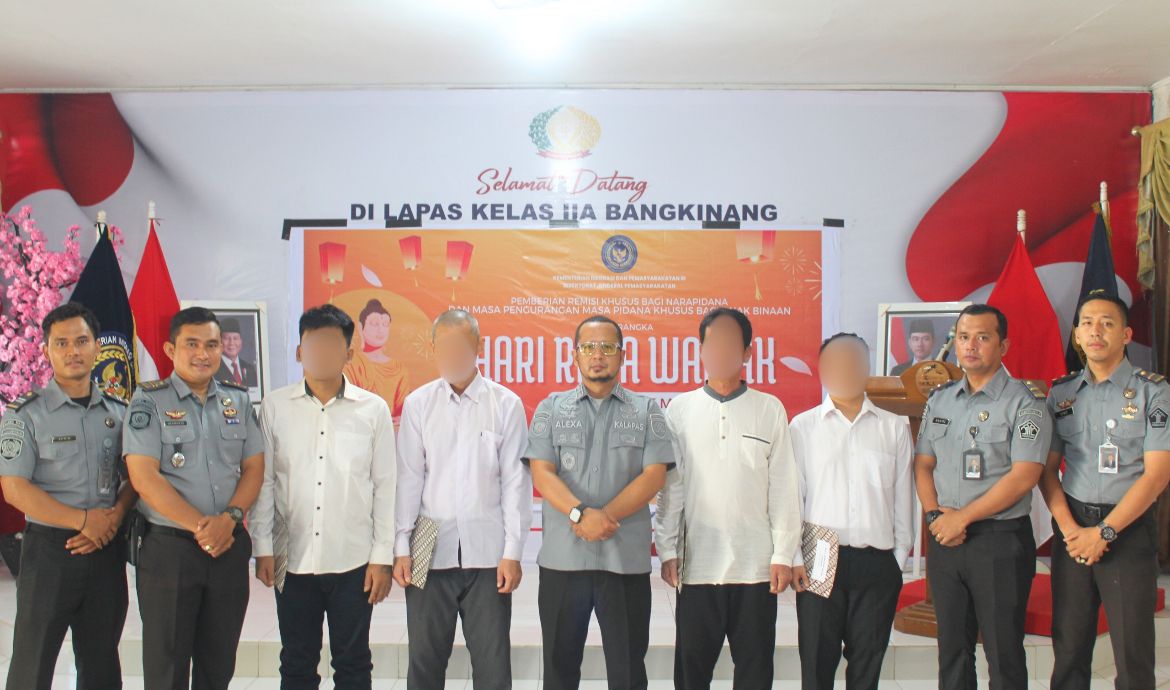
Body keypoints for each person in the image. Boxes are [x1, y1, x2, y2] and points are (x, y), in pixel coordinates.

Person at [524, 315, 676, 690]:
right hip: (563, 561)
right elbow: (542, 473)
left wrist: (603, 516)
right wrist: (580, 514)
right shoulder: (551, 408)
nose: (598, 355)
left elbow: (654, 475)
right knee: (559, 671)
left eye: (607, 347)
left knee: (628, 671)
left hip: (623, 563)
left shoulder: (646, 411)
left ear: (622, 355)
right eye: (588, 347)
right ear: (574, 355)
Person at [251, 304, 397, 689]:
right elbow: (265, 482)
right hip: (292, 558)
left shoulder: (373, 410)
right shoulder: (275, 407)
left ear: (349, 353)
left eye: (332, 345)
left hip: (354, 561)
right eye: (313, 344)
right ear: (299, 351)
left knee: (353, 663)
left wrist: (382, 558)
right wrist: (262, 546)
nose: (321, 353)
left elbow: (386, 486)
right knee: (296, 662)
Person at [654, 307, 801, 690]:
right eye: (712, 342)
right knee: (691, 672)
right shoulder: (680, 410)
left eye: (730, 342)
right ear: (701, 350)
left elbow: (784, 487)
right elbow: (672, 486)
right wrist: (667, 548)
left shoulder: (769, 409)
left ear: (747, 351)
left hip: (756, 568)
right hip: (697, 565)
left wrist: (783, 554)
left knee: (755, 670)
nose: (720, 350)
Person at [123, 307, 264, 690]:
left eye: (212, 345)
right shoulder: (148, 401)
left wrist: (229, 519)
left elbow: (254, 466)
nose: (203, 353)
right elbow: (144, 477)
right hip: (171, 551)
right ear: (171, 349)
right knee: (166, 665)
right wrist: (202, 528)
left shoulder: (237, 400)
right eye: (192, 344)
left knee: (218, 663)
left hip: (228, 546)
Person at [913, 304, 1051, 690]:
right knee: (952, 650)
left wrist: (962, 518)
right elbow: (923, 465)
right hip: (945, 538)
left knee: (1003, 652)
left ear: (1003, 345)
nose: (970, 345)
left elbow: (1025, 475)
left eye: (982, 337)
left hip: (999, 541)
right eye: (963, 337)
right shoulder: (940, 399)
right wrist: (934, 516)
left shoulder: (1026, 401)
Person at [0, 302, 137, 690]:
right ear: (46, 350)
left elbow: (136, 478)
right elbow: (14, 489)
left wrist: (113, 517)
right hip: (50, 553)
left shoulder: (120, 412)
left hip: (105, 550)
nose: (73, 351)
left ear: (96, 346)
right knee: (32, 662)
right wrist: (83, 521)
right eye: (61, 343)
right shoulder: (25, 415)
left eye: (81, 341)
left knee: (101, 664)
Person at [393, 309, 532, 690]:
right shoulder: (419, 404)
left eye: (461, 346)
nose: (452, 355)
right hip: (427, 543)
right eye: (444, 347)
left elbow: (515, 482)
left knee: (492, 664)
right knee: (424, 661)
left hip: (487, 549)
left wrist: (513, 551)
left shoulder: (505, 404)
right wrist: (401, 545)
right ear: (433, 349)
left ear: (478, 347)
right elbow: (409, 478)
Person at [1039, 294, 1170, 690]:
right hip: (1073, 530)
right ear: (1077, 335)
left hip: (1127, 530)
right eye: (1087, 323)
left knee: (1132, 652)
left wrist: (1105, 533)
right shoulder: (1061, 394)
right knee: (1069, 647)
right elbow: (1047, 471)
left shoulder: (1153, 392)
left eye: (1107, 323)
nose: (1096, 330)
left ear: (1126, 334)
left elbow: (1157, 475)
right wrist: (1071, 531)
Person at [788, 332, 914, 690]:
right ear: (822, 369)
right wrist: (795, 557)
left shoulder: (893, 427)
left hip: (877, 560)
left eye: (853, 361)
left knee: (867, 663)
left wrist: (898, 559)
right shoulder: (803, 427)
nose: (844, 369)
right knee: (816, 661)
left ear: (866, 366)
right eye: (835, 362)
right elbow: (794, 498)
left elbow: (903, 498)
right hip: (819, 555)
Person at [343, 298, 411, 421]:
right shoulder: (352, 363)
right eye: (374, 324)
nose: (381, 329)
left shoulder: (399, 369)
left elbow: (402, 414)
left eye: (385, 324)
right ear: (360, 327)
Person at [218, 317, 258, 388]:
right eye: (226, 338)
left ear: (241, 342)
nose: (231, 343)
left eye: (235, 338)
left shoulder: (250, 369)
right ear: (219, 341)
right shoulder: (214, 368)